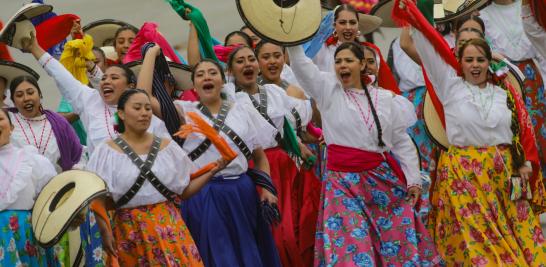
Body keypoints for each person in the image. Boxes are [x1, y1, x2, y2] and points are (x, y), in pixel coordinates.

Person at [401, 1, 546, 263]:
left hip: (505, 177)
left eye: (480, 59)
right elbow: (423, 41)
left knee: (523, 242)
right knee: (482, 250)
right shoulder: (450, 86)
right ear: (459, 61)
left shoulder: (503, 89)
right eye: (469, 60)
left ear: (489, 60)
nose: (475, 65)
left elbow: (520, 131)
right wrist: (416, 8)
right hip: (466, 179)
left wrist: (523, 163)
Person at [287, 42, 441, 265]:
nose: (342, 65)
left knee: (394, 244)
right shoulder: (328, 90)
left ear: (361, 64)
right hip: (341, 183)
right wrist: (292, 40)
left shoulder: (386, 100)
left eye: (348, 60)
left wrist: (413, 181)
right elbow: (301, 66)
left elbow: (401, 142)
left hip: (379, 180)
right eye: (338, 61)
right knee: (352, 248)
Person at [87, 89, 225, 266]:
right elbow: (97, 199)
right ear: (121, 113)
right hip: (129, 232)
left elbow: (184, 192)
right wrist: (105, 230)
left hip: (170, 228)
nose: (144, 113)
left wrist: (212, 171)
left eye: (147, 108)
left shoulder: (168, 148)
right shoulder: (105, 152)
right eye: (137, 108)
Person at [176, 58, 281, 266]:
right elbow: (144, 98)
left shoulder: (242, 110)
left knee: (248, 249)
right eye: (200, 74)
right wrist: (151, 55)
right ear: (194, 85)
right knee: (216, 252)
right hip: (203, 193)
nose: (207, 77)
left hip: (241, 191)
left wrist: (267, 189)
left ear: (223, 81)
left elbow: (259, 157)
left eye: (212, 73)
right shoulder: (183, 110)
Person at [223, 46, 314, 267]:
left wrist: (298, 145)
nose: (247, 64)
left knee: (293, 228)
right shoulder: (229, 96)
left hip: (284, 165)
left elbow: (286, 129)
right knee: (271, 231)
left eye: (251, 59)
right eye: (240, 61)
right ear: (232, 70)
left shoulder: (275, 93)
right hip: (255, 168)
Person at [20, 31, 170, 154]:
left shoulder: (144, 109)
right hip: (102, 185)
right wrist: (34, 48)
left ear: (130, 86)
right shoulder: (89, 100)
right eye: (104, 78)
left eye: (114, 78)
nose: (106, 81)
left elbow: (167, 151)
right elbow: (60, 73)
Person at [255, 40, 322, 266]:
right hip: (267, 167)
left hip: (297, 165)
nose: (272, 61)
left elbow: (304, 131)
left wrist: (313, 140)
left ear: (285, 58)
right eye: (266, 57)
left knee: (303, 224)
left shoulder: (296, 90)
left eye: (277, 55)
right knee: (279, 232)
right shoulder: (247, 95)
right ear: (257, 61)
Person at [480, 0, 546, 176]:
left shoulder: (528, 7)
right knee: (517, 132)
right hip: (505, 79)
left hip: (534, 77)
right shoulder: (483, 16)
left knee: (540, 130)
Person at [0, 108, 59, 267]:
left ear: (11, 127)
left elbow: (52, 198)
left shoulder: (32, 160)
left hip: (26, 236)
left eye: (0, 119)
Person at [8, 75, 83, 172]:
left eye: (30, 92)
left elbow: (77, 156)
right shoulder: (7, 120)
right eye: (19, 95)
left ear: (40, 95)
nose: (26, 98)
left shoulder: (59, 123)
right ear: (13, 101)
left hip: (57, 184)